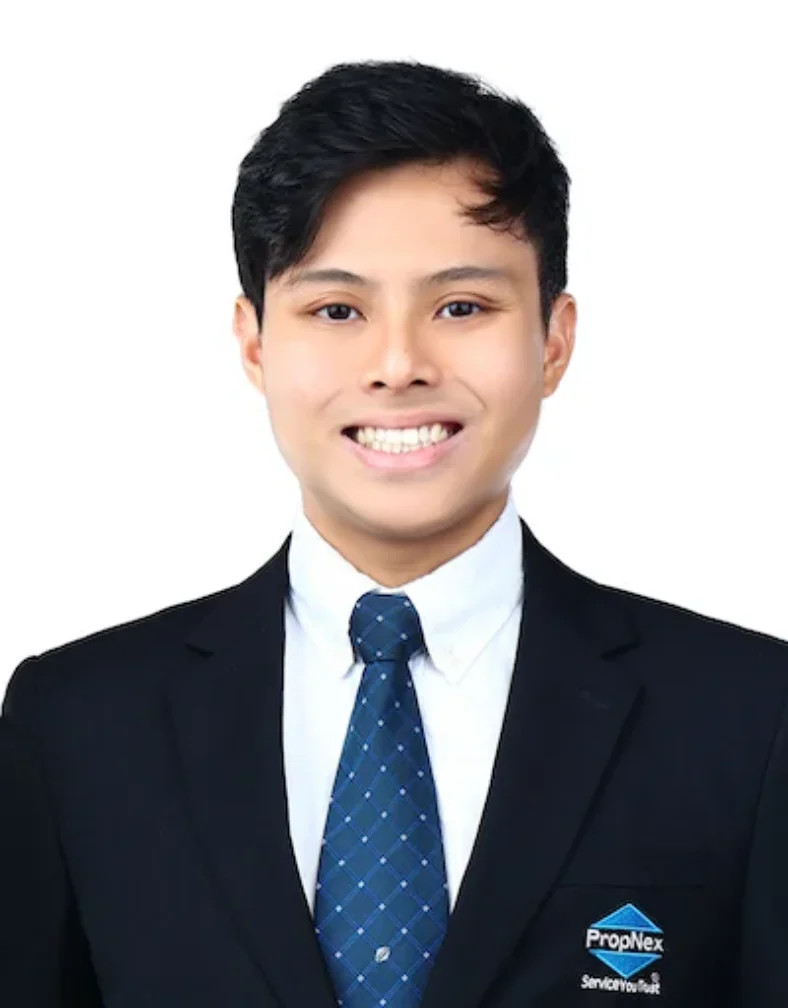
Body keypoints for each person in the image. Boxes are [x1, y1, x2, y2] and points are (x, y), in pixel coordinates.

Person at [2, 58, 787, 1008]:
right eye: (337, 310)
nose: (399, 364)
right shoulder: (76, 726)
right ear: (255, 342)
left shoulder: (751, 719)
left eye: (462, 307)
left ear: (553, 340)